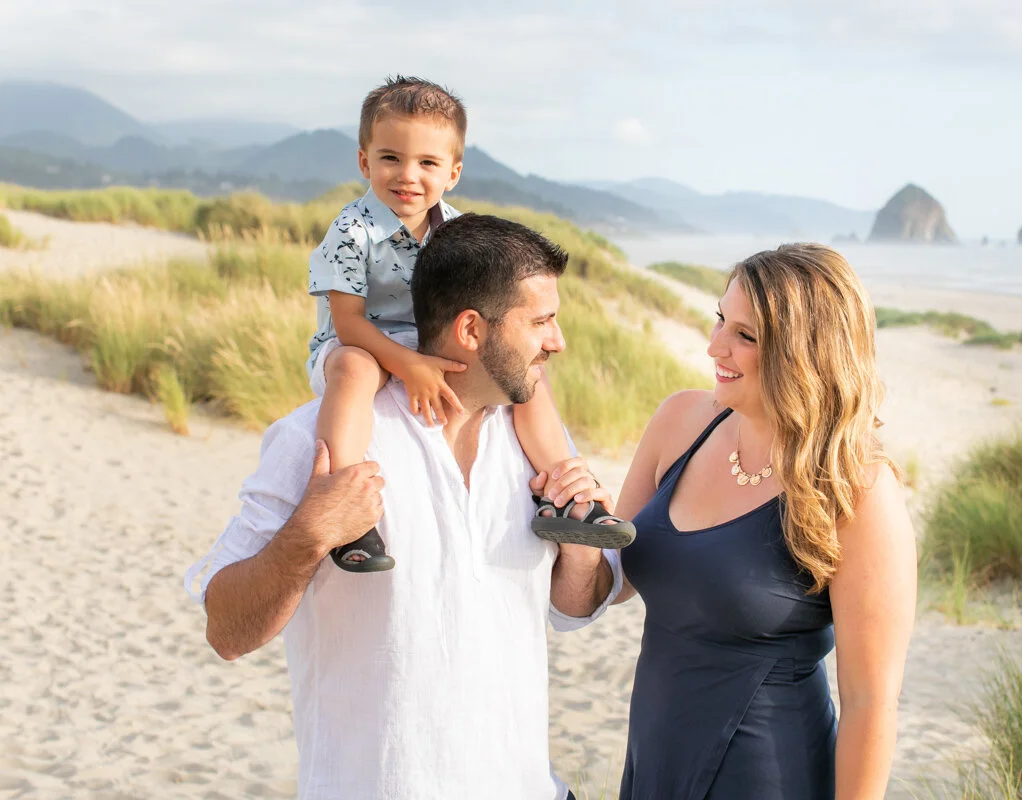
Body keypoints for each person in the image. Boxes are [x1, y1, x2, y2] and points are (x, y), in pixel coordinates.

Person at [184, 214, 621, 800]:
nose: (557, 340)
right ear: (471, 329)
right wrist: (308, 537)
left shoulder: (535, 442)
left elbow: (572, 611)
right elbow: (226, 630)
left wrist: (579, 552)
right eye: (541, 321)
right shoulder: (318, 441)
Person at [613, 244, 917, 799]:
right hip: (654, 762)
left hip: (767, 775)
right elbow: (607, 582)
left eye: (745, 336)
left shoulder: (858, 489)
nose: (714, 347)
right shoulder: (681, 420)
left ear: (805, 353)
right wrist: (566, 509)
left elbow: (871, 703)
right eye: (719, 320)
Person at [306, 75, 632, 572]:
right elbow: (347, 323)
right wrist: (411, 366)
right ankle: (348, 511)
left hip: (430, 341)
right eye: (390, 157)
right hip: (360, 344)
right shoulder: (352, 232)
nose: (407, 175)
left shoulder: (456, 230)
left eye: (428, 163)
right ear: (364, 160)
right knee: (353, 370)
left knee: (524, 374)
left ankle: (565, 496)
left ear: (453, 171)